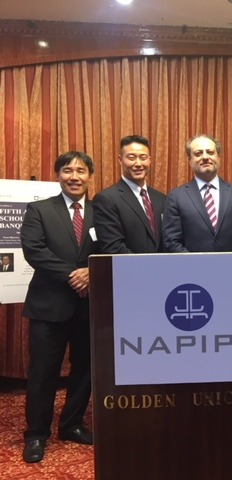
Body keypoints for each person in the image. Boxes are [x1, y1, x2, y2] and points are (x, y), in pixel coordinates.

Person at [20, 151, 99, 463]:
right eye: (68, 170)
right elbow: (34, 250)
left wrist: (92, 271)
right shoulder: (39, 209)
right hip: (48, 306)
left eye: (81, 171)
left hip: (90, 305)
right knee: (43, 372)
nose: (74, 177)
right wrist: (73, 275)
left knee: (85, 370)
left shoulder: (101, 212)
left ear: (90, 176)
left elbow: (110, 248)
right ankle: (36, 434)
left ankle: (71, 425)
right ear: (58, 175)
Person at [163, 134, 232, 252]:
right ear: (189, 161)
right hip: (192, 264)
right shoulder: (176, 197)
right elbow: (172, 241)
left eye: (210, 152)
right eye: (198, 153)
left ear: (218, 158)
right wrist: (196, 263)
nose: (205, 157)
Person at [93, 135, 166, 253]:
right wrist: (146, 264)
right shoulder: (106, 199)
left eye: (143, 157)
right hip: (127, 265)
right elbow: (113, 247)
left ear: (150, 160)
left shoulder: (161, 199)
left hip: (162, 265)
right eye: (131, 158)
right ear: (120, 160)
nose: (138, 163)